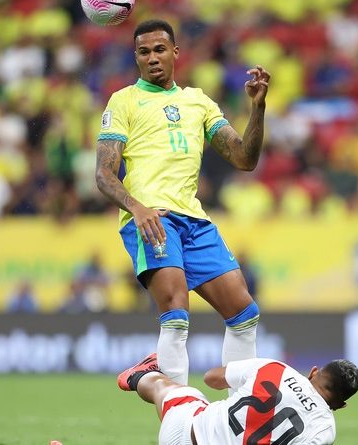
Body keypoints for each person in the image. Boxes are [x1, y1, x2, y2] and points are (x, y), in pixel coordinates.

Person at [95, 19, 270, 385]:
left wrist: (257, 108)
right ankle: (177, 411)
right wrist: (137, 208)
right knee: (176, 312)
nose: (152, 58)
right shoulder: (124, 100)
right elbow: (103, 174)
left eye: (160, 50)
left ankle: (239, 408)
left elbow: (244, 159)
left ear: (175, 52)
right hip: (153, 219)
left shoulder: (198, 102)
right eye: (144, 52)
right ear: (136, 57)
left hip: (194, 220)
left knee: (244, 313)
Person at [117, 353, 358, 445]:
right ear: (340, 405)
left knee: (176, 393)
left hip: (184, 434)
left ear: (314, 372)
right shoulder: (325, 427)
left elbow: (211, 378)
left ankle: (141, 375)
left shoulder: (276, 368)